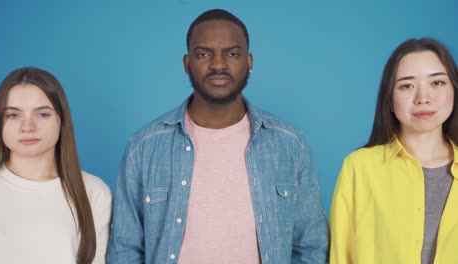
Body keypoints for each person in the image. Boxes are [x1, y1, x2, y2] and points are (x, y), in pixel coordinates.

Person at [108, 8, 328, 264]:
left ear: (249, 62)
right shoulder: (144, 146)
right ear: (187, 64)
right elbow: (125, 250)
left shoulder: (289, 144)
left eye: (232, 53)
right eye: (203, 54)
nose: (218, 65)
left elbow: (310, 247)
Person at [329, 38, 458, 263]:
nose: (423, 98)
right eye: (407, 85)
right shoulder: (359, 167)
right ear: (389, 98)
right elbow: (340, 256)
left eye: (437, 83)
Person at [0, 67, 112, 264]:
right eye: (13, 115)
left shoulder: (94, 192)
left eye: (42, 114)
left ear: (61, 120)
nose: (27, 127)